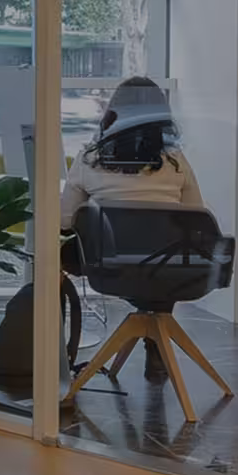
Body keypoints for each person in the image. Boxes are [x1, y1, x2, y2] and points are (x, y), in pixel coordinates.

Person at [56, 76, 206, 382]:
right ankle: (155, 340)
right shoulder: (176, 161)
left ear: (112, 113)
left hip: (106, 266)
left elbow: (64, 221)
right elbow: (197, 216)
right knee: (166, 250)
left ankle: (55, 355)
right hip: (167, 270)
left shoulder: (90, 157)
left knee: (54, 260)